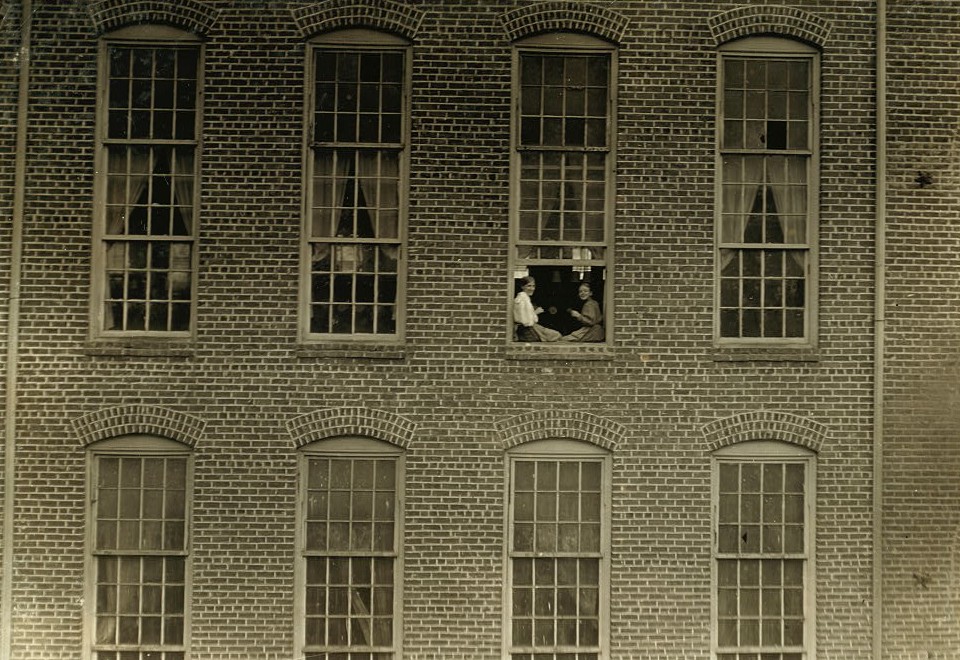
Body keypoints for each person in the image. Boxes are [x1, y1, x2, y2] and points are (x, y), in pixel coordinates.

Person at [513, 276, 560, 342]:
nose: (532, 288)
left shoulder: (525, 298)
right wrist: (536, 312)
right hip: (526, 330)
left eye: (533, 286)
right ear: (522, 287)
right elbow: (526, 321)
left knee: (555, 335)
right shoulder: (522, 299)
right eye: (529, 286)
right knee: (555, 335)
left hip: (528, 328)